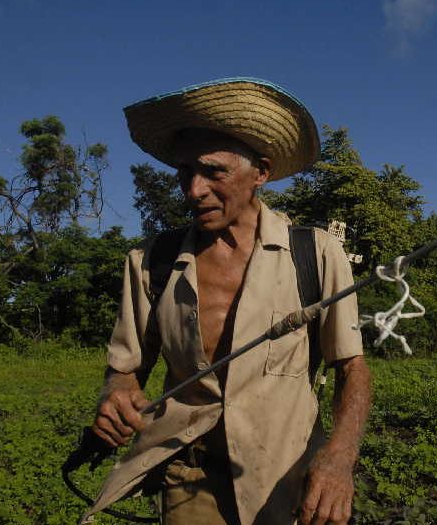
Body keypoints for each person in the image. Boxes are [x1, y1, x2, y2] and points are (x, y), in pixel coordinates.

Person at [82, 78, 372, 525]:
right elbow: (125, 367)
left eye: (213, 171)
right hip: (188, 478)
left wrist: (339, 457)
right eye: (184, 173)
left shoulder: (314, 254)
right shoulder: (150, 262)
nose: (193, 190)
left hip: (286, 479)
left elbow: (351, 367)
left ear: (261, 172)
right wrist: (117, 393)